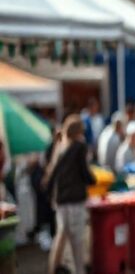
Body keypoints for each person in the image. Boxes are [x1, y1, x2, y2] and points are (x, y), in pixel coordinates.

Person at [45, 115, 95, 274]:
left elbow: (52, 174)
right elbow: (85, 173)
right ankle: (79, 271)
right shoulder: (79, 147)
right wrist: (93, 180)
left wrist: (50, 196)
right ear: (78, 131)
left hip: (61, 201)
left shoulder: (60, 146)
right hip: (75, 201)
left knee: (60, 238)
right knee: (77, 242)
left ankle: (53, 269)